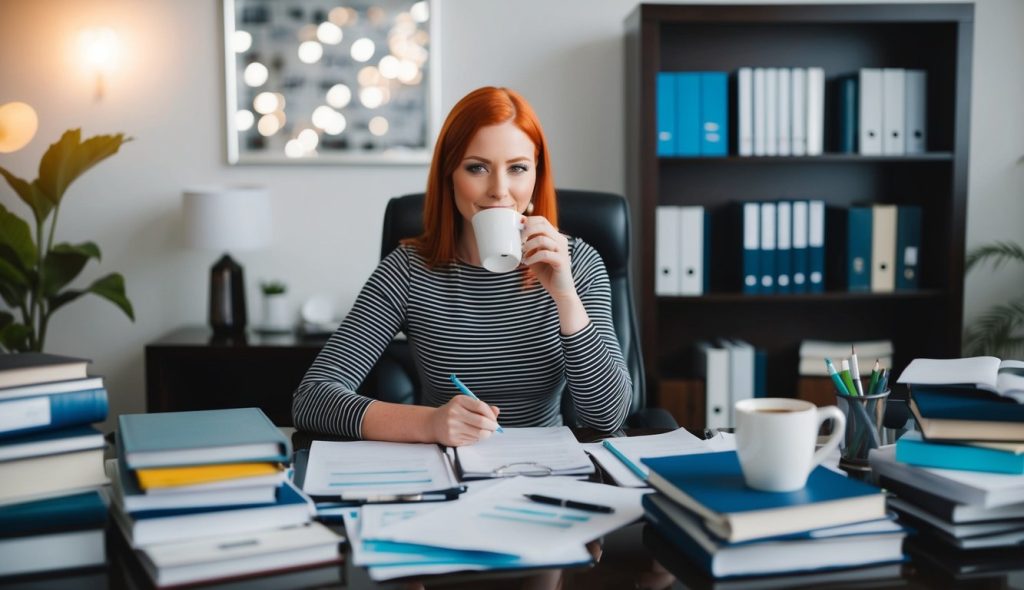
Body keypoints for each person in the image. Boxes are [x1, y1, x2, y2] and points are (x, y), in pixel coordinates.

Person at [292, 86, 632, 446]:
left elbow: (608, 416)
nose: (499, 190)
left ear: (536, 177)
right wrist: (429, 424)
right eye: (477, 168)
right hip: (445, 470)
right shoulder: (408, 271)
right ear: (449, 175)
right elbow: (312, 399)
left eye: (517, 168)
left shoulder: (577, 263)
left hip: (548, 466)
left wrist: (565, 295)